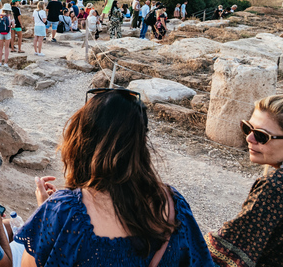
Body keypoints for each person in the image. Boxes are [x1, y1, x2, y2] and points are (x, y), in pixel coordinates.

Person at [18, 88, 213, 266]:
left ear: (81, 142)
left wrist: (48, 212)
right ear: (142, 142)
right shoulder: (174, 204)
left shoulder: (63, 212)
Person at [205, 94, 283, 267]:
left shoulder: (275, 187)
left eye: (262, 136)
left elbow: (222, 253)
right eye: (247, 128)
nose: (249, 138)